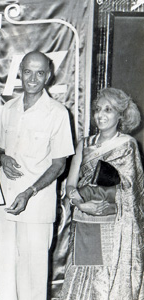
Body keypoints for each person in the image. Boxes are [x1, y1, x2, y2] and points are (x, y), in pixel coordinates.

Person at [0, 51, 74, 300]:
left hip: (36, 208)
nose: (33, 78)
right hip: (4, 204)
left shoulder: (57, 113)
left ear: (48, 76)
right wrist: (2, 158)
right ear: (20, 73)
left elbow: (59, 165)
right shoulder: (7, 109)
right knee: (5, 275)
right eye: (28, 71)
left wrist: (30, 191)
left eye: (40, 73)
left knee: (33, 280)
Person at [59, 88, 144, 299]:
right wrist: (80, 203)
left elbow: (132, 191)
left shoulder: (127, 145)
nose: (101, 114)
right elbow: (71, 184)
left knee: (106, 277)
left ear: (120, 115)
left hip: (113, 225)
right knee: (82, 271)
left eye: (109, 109)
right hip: (84, 218)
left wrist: (111, 200)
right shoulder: (84, 144)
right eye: (98, 109)